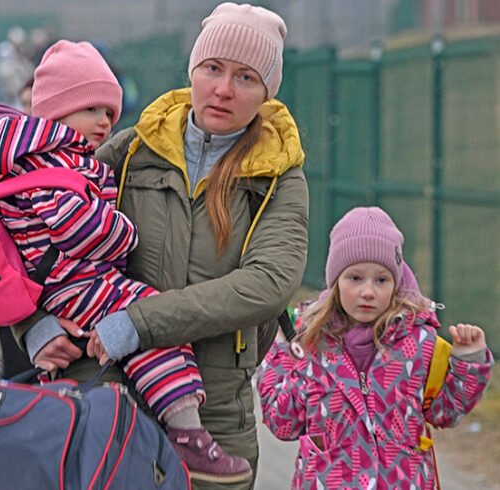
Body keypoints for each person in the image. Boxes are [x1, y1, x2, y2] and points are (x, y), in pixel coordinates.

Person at [18, 4, 307, 489]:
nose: (223, 89)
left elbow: (268, 284)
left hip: (212, 417)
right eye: (213, 69)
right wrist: (32, 326)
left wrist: (139, 323)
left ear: (266, 92)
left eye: (246, 77)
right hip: (105, 394)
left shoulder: (278, 175)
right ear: (192, 69)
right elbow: (20, 226)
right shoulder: (130, 151)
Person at [0, 39, 251, 483]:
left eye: (109, 112)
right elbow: (76, 227)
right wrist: (125, 232)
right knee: (150, 322)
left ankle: (181, 426)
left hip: (65, 283)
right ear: (58, 112)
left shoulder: (31, 158)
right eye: (92, 110)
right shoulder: (50, 164)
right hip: (74, 284)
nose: (105, 122)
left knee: (145, 325)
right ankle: (186, 431)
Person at [257, 207, 494, 488]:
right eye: (355, 278)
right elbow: (282, 423)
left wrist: (469, 361)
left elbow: (446, 411)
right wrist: (281, 357)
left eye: (381, 280)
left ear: (396, 283)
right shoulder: (309, 344)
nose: (368, 291)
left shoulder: (420, 344)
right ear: (336, 282)